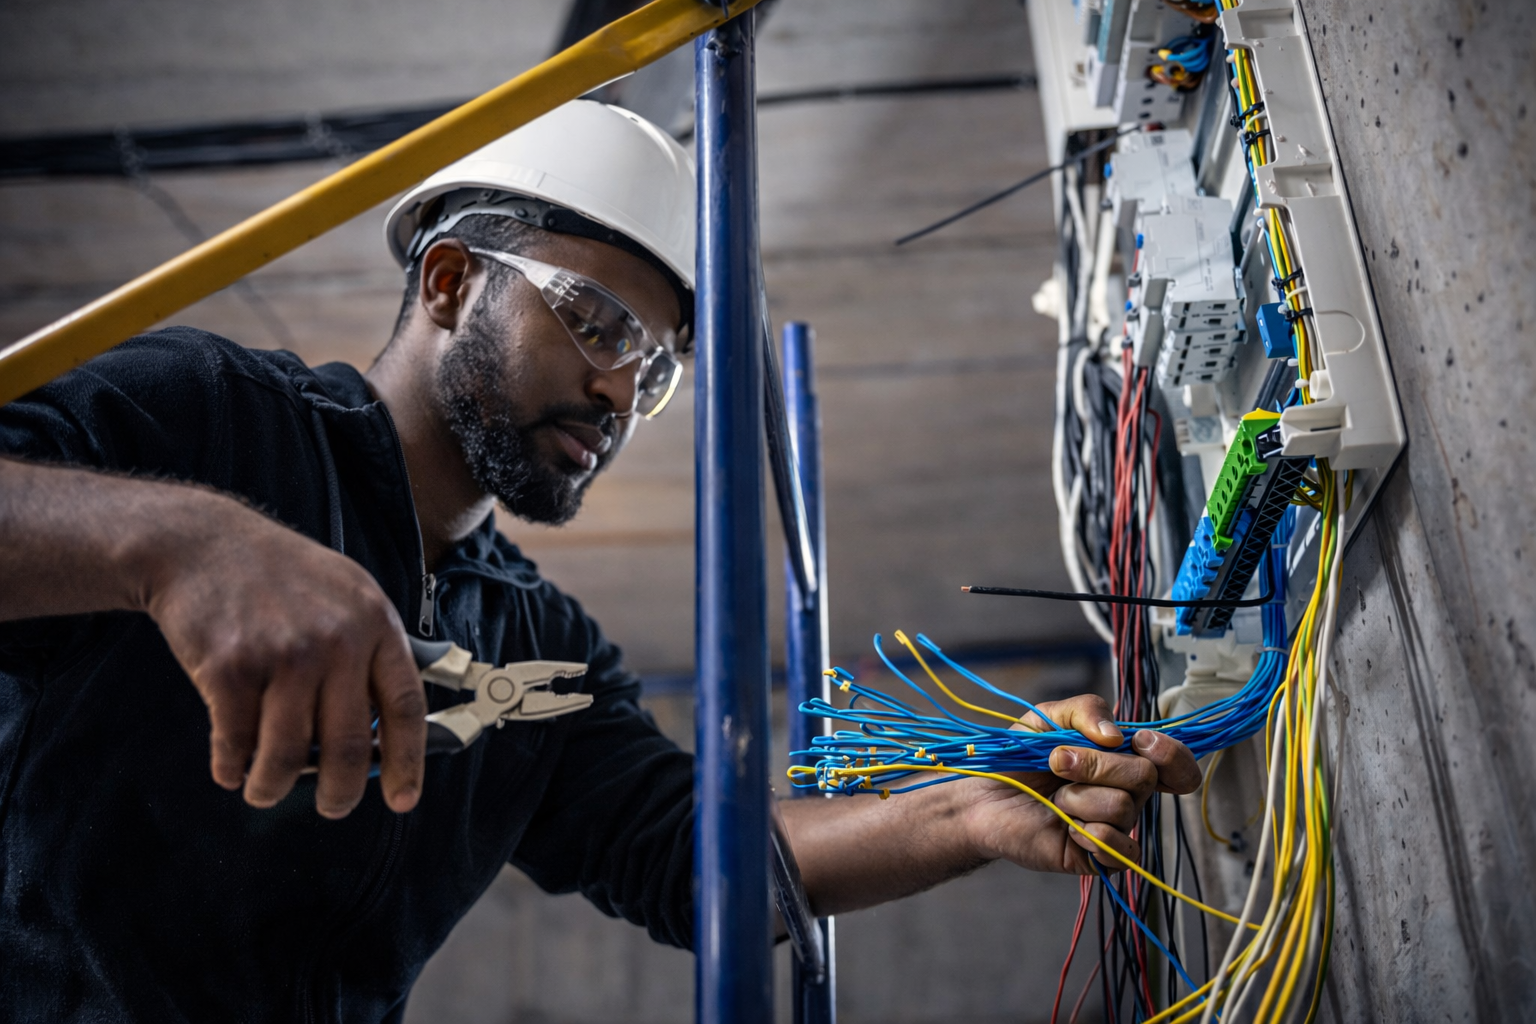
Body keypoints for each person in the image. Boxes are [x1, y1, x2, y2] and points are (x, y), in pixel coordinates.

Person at [0, 100, 1199, 1021]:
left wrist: (966, 811)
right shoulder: (205, 419)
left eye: (658, 367)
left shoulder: (540, 648)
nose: (624, 390)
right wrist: (176, 541)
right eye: (599, 323)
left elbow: (692, 857)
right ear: (453, 280)